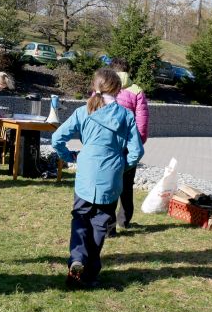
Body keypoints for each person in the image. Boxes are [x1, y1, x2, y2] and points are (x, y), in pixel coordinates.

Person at [51, 68, 144, 289]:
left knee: (80, 219)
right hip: (110, 178)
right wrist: (122, 166)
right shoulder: (125, 116)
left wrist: (70, 157)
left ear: (95, 87)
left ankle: (77, 258)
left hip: (86, 175)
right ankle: (90, 273)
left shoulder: (83, 111)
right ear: (118, 89)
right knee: (100, 225)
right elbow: (137, 151)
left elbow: (57, 138)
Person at [109, 57, 149, 232]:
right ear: (128, 71)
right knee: (126, 185)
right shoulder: (137, 91)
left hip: (108, 144)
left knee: (109, 183)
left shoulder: (103, 87)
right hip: (128, 145)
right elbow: (142, 122)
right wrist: (138, 142)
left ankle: (108, 225)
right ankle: (124, 220)